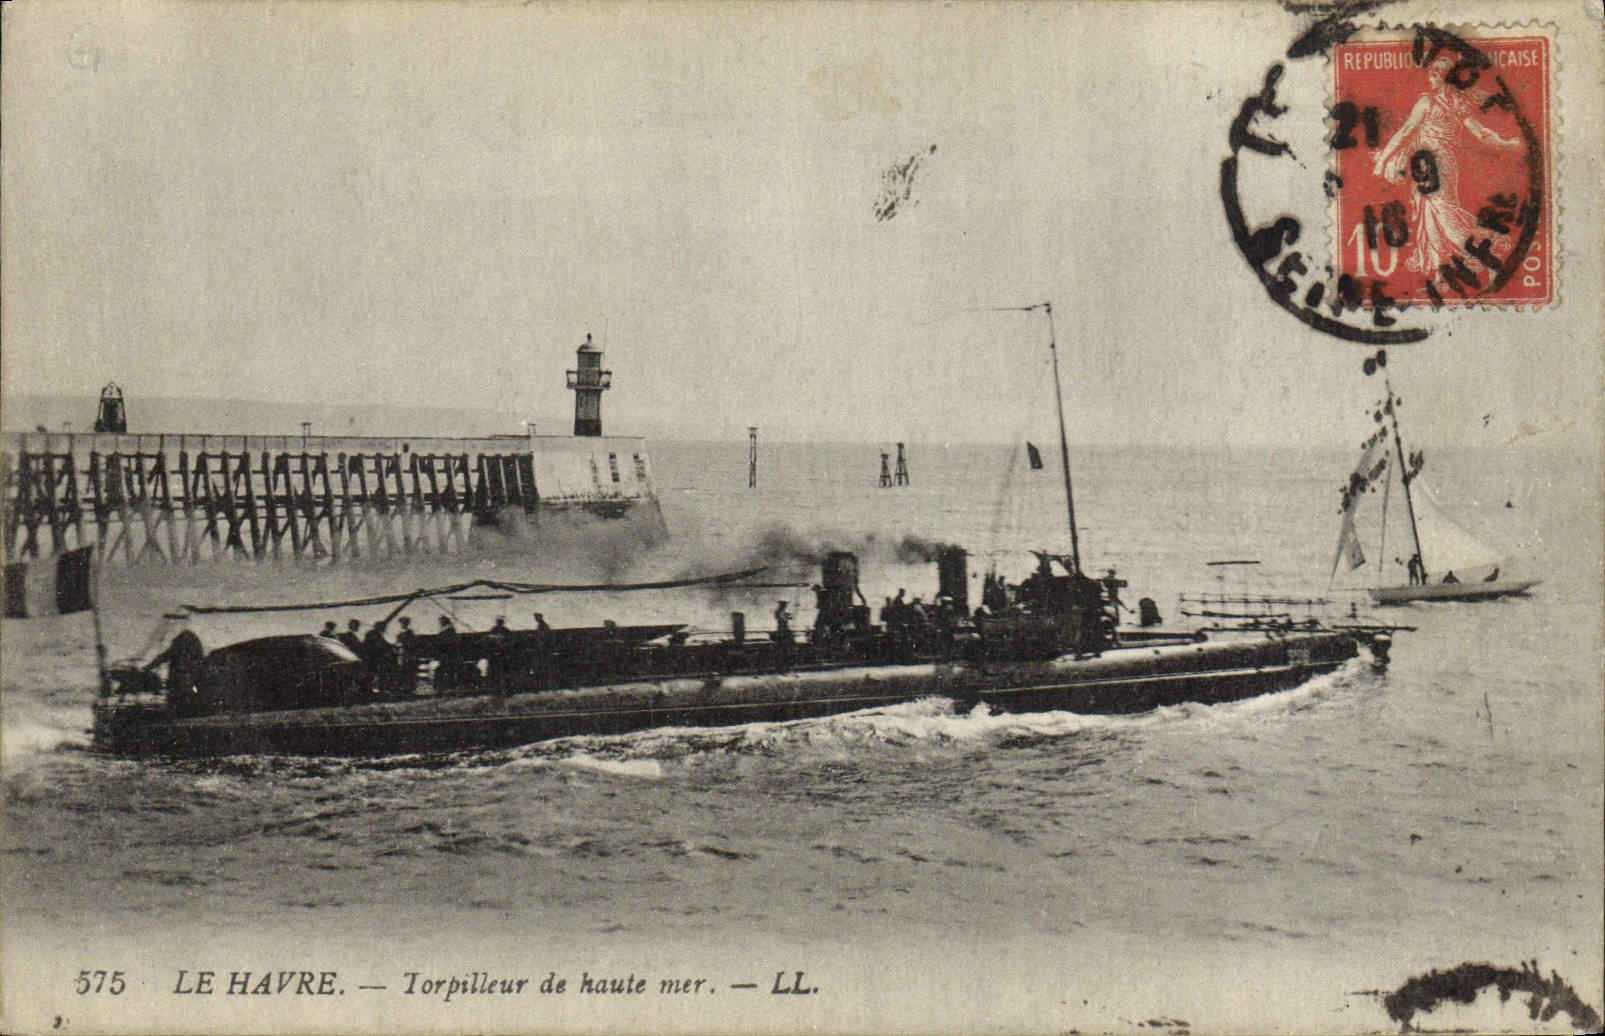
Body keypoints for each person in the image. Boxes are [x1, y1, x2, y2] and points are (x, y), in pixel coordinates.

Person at [1370, 51, 1523, 287]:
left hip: (1436, 168)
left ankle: (1493, 260)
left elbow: (1406, 133)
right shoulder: (1451, 103)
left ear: (1448, 76)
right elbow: (1407, 132)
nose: (1432, 75)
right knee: (1432, 224)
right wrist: (1505, 144)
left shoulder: (1434, 103)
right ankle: (1443, 277)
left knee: (1446, 220)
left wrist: (1504, 144)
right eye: (1432, 71)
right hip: (1428, 168)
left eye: (1438, 72)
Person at [146, 623, 205, 709]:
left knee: (177, 695)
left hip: (178, 679)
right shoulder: (194, 650)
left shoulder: (177, 648)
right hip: (186, 678)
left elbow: (163, 657)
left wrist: (149, 667)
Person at [394, 617, 419, 695]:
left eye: (404, 623)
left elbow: (413, 644)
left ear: (407, 624)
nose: (402, 624)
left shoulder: (410, 633)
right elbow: (396, 643)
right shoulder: (399, 633)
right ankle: (402, 689)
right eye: (401, 623)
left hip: (408, 655)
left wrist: (403, 645)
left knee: (409, 671)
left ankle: (409, 689)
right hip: (401, 655)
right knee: (401, 671)